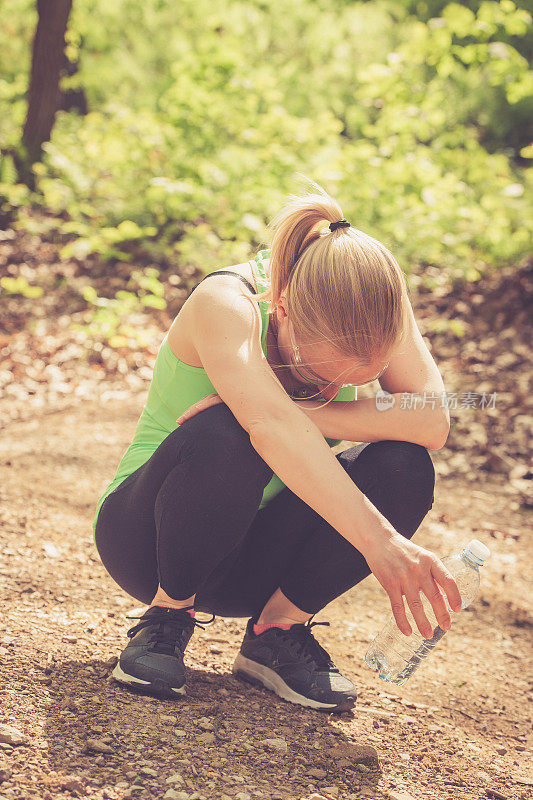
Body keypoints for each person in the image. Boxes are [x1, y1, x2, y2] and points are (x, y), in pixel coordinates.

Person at [93, 178, 461, 713]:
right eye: (317, 373)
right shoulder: (226, 302)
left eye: (362, 378)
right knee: (231, 431)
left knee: (405, 463)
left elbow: (434, 421)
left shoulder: (373, 304)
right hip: (148, 541)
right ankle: (167, 616)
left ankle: (276, 630)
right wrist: (382, 543)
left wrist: (305, 407)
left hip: (255, 562)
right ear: (283, 305)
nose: (336, 391)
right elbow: (270, 429)